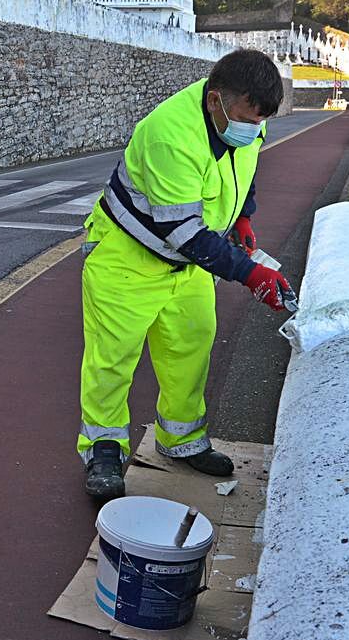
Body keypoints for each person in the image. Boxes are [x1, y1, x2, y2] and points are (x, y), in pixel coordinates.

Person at [78, 49, 294, 500]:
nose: (253, 129)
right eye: (245, 119)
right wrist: (251, 275)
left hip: (189, 262)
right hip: (128, 258)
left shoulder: (247, 114)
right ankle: (102, 448)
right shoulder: (169, 136)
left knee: (191, 347)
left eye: (259, 122)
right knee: (112, 359)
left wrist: (243, 217)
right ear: (215, 100)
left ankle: (180, 439)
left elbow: (244, 167)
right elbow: (184, 232)